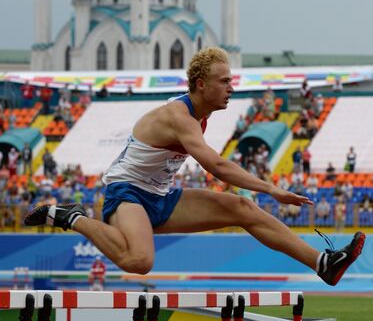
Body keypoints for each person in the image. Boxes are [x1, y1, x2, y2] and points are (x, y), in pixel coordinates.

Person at [24, 47, 365, 287]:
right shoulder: (179, 116)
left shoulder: (198, 118)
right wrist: (272, 189)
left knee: (242, 208)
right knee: (139, 262)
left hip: (160, 196)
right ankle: (72, 217)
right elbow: (215, 164)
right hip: (126, 194)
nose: (232, 87)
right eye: (224, 81)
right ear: (201, 84)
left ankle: (323, 264)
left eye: (231, 81)